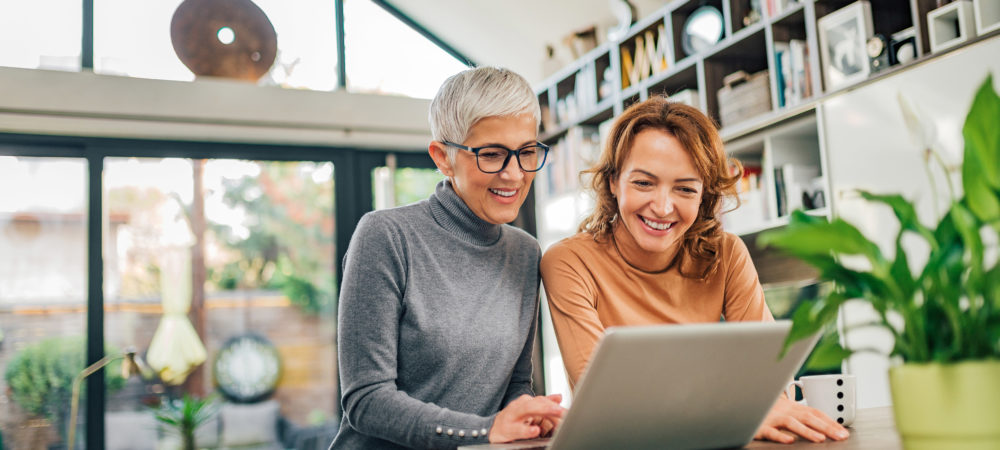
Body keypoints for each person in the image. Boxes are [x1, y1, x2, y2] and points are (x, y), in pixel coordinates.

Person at [539, 97, 849, 444]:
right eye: (643, 183)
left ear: (704, 195)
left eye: (685, 188)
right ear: (613, 181)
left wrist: (764, 409)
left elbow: (768, 381)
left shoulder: (727, 253)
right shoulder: (568, 262)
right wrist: (737, 416)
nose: (662, 206)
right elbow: (606, 406)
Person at [331, 66, 565, 450]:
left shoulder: (525, 252)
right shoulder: (385, 236)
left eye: (525, 152)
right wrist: (486, 431)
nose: (514, 174)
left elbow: (515, 383)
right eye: (491, 154)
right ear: (443, 157)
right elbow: (366, 400)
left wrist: (530, 417)